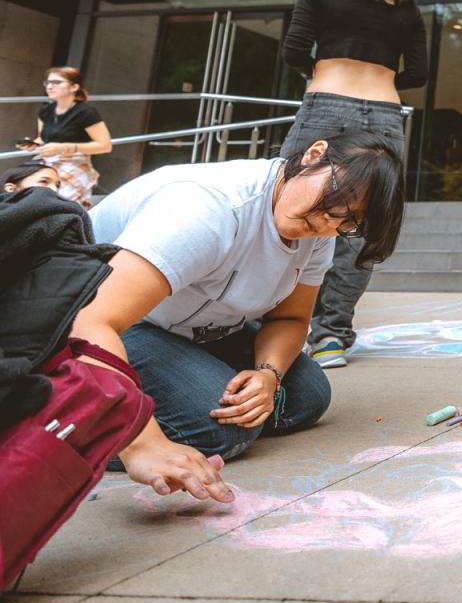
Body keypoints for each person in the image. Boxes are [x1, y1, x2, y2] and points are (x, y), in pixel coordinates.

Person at [73, 131, 404, 495]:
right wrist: (141, 442)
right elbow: (90, 320)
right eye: (335, 201)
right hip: (102, 323)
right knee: (219, 429)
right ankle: (63, 428)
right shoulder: (209, 209)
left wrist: (268, 375)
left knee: (305, 394)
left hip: (191, 329)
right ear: (314, 154)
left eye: (348, 222)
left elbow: (290, 319)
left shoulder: (317, 232)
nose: (327, 224)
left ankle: (186, 412)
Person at [279, 0, 427, 370]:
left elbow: (292, 51)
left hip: (326, 104)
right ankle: (330, 338)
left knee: (286, 202)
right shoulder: (405, 5)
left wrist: (322, 72)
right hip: (384, 112)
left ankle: (272, 323)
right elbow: (419, 73)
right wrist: (381, 76)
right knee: (361, 225)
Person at [19, 66, 112, 206]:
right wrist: (32, 144)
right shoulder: (45, 111)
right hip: (47, 164)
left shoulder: (86, 112)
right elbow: (43, 139)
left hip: (74, 166)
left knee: (57, 206)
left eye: (56, 83)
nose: (50, 87)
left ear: (74, 87)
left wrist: (64, 148)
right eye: (47, 83)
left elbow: (105, 145)